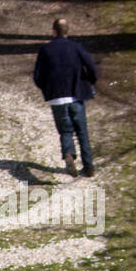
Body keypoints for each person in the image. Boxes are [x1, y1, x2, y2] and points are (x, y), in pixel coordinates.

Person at [32, 18, 98, 177]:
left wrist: (48, 89)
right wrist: (89, 83)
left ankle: (69, 155)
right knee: (82, 131)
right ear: (67, 31)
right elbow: (92, 68)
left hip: (56, 98)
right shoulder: (76, 47)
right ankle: (88, 166)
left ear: (53, 31)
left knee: (65, 131)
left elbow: (37, 76)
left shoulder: (45, 50)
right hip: (76, 95)